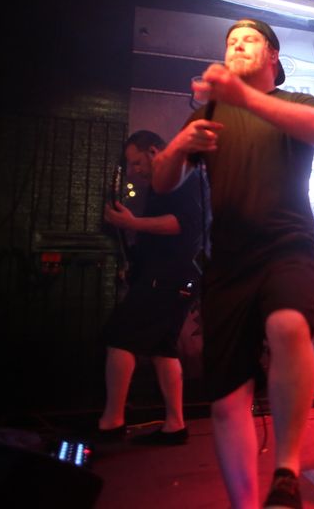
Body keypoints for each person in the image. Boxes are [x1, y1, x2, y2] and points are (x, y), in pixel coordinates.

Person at [151, 18, 314, 509]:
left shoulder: (296, 103)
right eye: (230, 41)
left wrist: (245, 97)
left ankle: (286, 472)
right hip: (227, 264)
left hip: (287, 246)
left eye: (248, 39)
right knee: (227, 398)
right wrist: (180, 145)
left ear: (273, 55)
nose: (236, 45)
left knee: (287, 326)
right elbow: (163, 182)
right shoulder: (209, 113)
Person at [99, 130, 204, 445]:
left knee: (120, 336)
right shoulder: (167, 182)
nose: (134, 171)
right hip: (173, 276)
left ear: (154, 151)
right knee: (162, 348)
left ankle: (112, 422)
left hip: (168, 276)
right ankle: (175, 426)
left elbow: (184, 224)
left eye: (136, 162)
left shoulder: (182, 176)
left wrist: (131, 223)